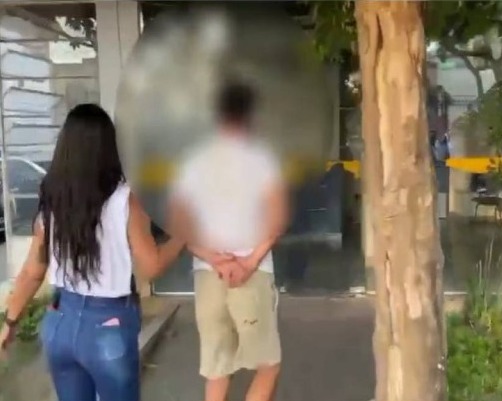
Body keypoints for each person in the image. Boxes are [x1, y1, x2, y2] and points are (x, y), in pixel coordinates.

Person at [0, 104, 185, 401]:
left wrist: (10, 323)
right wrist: (181, 237)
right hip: (108, 324)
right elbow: (151, 267)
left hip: (59, 322)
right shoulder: (125, 200)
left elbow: (32, 272)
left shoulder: (54, 200)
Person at [169, 81, 288, 401]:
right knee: (268, 365)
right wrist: (248, 262)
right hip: (252, 275)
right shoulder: (262, 159)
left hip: (208, 276)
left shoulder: (193, 162)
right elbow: (276, 220)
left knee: (217, 370)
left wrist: (215, 259)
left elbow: (180, 226)